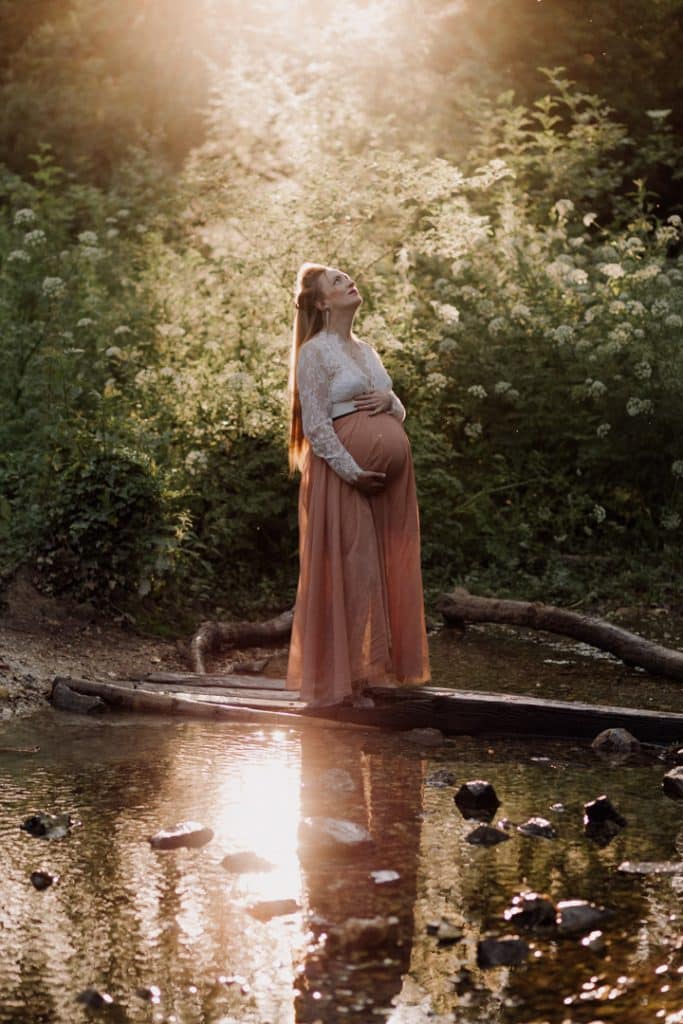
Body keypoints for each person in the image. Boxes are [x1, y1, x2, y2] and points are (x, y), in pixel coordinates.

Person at [286, 261, 430, 707]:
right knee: (352, 570)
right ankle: (340, 685)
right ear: (322, 302)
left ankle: (373, 675)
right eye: (336, 281)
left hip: (384, 483)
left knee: (384, 568)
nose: (348, 281)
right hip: (342, 476)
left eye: (346, 276)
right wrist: (352, 472)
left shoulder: (365, 350)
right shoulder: (315, 352)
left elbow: (393, 410)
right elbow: (314, 425)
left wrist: (391, 400)